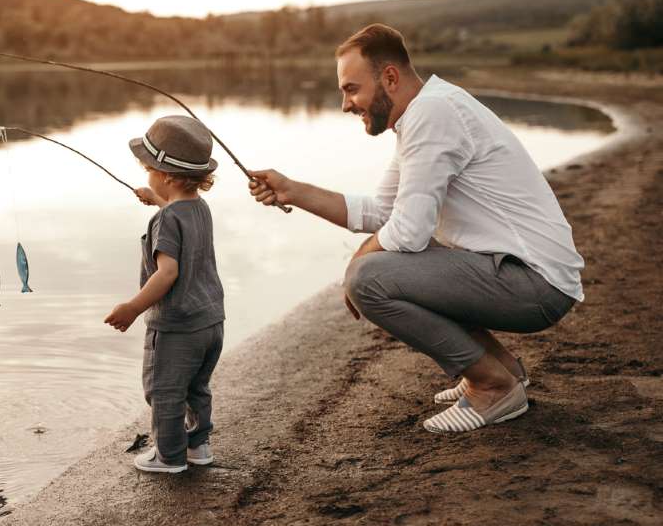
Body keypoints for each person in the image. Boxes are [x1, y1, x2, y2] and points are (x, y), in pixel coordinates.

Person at [249, 23, 583, 433]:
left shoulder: (433, 113)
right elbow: (383, 212)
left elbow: (407, 232)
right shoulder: (422, 113)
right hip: (521, 273)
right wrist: (294, 191)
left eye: (351, 89)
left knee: (369, 279)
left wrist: (355, 268)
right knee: (379, 267)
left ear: (389, 76)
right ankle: (503, 367)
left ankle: (493, 386)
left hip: (536, 285)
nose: (345, 104)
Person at [105, 115, 225, 472]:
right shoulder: (198, 208)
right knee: (196, 388)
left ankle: (169, 456)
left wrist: (133, 307)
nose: (147, 176)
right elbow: (179, 216)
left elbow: (167, 272)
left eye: (148, 170)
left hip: (177, 326)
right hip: (210, 322)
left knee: (165, 391)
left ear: (167, 176)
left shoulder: (166, 220)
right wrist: (159, 200)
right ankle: (198, 446)